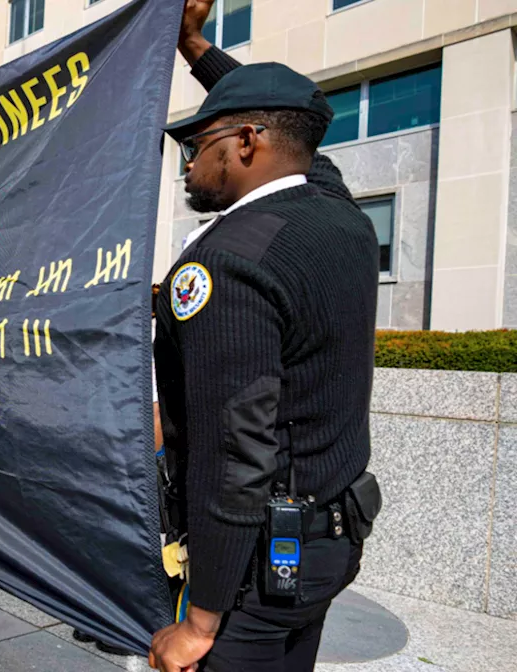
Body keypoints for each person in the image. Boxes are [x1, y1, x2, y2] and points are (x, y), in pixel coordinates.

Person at [148, 3, 382, 671]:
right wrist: (195, 47)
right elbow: (296, 131)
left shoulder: (227, 261)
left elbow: (234, 452)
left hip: (256, 568)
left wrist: (200, 618)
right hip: (327, 540)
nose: (189, 162)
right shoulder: (339, 213)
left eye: (199, 145)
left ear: (248, 143)